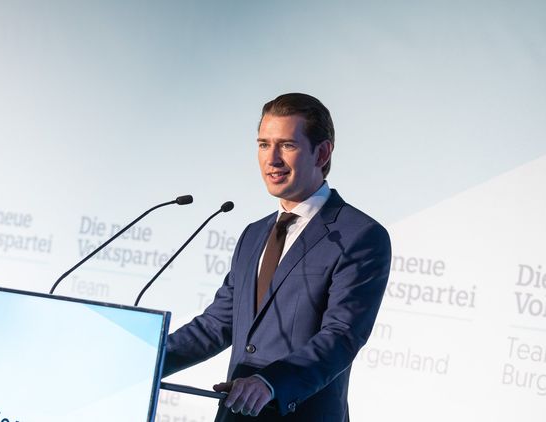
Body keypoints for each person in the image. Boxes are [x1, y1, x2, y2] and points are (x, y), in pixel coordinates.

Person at [162, 93, 391, 421]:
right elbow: (217, 325)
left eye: (287, 145)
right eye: (264, 144)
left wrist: (271, 382)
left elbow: (342, 335)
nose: (272, 159)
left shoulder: (360, 235)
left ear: (322, 153)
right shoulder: (254, 234)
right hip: (236, 415)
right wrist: (149, 358)